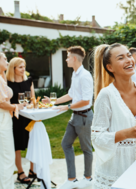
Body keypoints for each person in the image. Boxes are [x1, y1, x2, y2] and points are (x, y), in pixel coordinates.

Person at [91, 43, 136, 189]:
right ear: (110, 67)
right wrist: (126, 133)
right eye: (121, 58)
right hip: (116, 170)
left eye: (129, 55)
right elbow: (97, 138)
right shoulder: (106, 95)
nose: (129, 60)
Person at [42, 46, 93, 189]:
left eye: (68, 56)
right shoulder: (75, 74)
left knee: (86, 148)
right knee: (66, 144)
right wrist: (54, 101)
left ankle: (88, 178)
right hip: (75, 116)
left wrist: (67, 107)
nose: (66, 59)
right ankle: (72, 179)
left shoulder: (85, 76)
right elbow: (71, 94)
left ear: (74, 58)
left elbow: (86, 101)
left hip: (84, 117)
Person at [0, 51, 25, 189]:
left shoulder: (0, 77)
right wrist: (16, 107)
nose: (7, 62)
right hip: (1, 118)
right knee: (6, 158)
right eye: (5, 59)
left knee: (4, 157)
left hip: (4, 118)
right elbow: (0, 103)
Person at [6, 57, 36, 184]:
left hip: (29, 117)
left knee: (32, 144)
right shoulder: (7, 83)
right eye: (20, 67)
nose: (23, 69)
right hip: (15, 118)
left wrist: (32, 104)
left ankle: (32, 171)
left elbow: (33, 99)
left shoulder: (29, 80)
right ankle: (20, 172)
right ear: (13, 68)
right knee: (17, 146)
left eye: (24, 66)